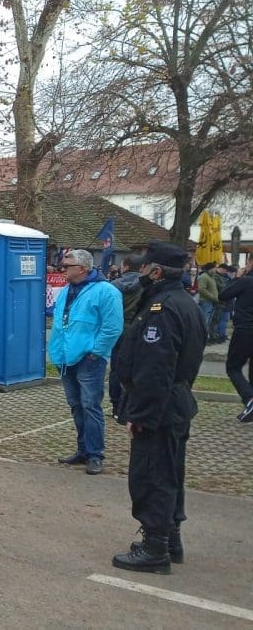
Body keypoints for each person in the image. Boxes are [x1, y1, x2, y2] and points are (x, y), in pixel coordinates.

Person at [110, 242, 205, 574]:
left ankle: (155, 548)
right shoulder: (185, 302)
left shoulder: (162, 309)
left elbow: (155, 368)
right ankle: (170, 539)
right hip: (176, 401)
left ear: (157, 271)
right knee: (169, 473)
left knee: (152, 476)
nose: (142, 273)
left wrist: (141, 414)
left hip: (160, 406)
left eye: (146, 268)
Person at [48, 249, 123, 475]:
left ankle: (95, 454)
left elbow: (112, 327)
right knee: (76, 405)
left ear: (82, 269)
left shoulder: (106, 291)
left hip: (89, 359)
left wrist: (96, 353)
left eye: (66, 266)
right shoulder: (66, 290)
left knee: (90, 406)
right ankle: (83, 450)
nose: (61, 269)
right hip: (65, 358)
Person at [108, 254, 145, 419]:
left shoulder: (114, 286)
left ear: (126, 267)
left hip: (118, 328)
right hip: (137, 328)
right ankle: (129, 406)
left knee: (116, 369)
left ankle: (116, 406)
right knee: (136, 369)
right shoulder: (146, 286)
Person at [218, 264, 253, 421]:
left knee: (233, 368)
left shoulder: (246, 281)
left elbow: (223, 295)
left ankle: (249, 399)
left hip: (245, 329)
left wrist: (237, 278)